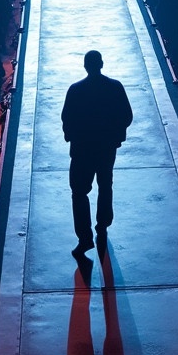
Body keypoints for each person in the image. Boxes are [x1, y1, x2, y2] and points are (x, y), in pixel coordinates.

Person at [61, 50, 133, 259]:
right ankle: (103, 224)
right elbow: (126, 116)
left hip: (82, 149)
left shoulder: (75, 90)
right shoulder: (115, 87)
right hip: (106, 147)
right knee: (105, 184)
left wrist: (72, 135)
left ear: (85, 66)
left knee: (79, 192)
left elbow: (67, 118)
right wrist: (116, 134)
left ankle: (84, 237)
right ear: (101, 64)